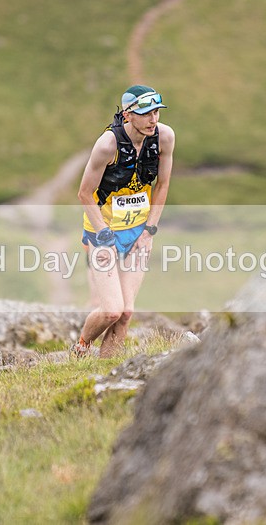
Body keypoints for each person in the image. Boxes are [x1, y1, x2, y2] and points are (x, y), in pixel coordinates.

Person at [70, 85, 175, 358]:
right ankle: (81, 347)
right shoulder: (108, 144)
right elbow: (83, 193)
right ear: (128, 115)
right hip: (102, 232)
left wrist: (149, 231)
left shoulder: (164, 137)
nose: (153, 119)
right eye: (146, 113)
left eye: (156, 112)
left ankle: (107, 374)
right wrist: (104, 234)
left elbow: (162, 185)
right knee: (111, 310)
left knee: (127, 312)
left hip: (138, 231)